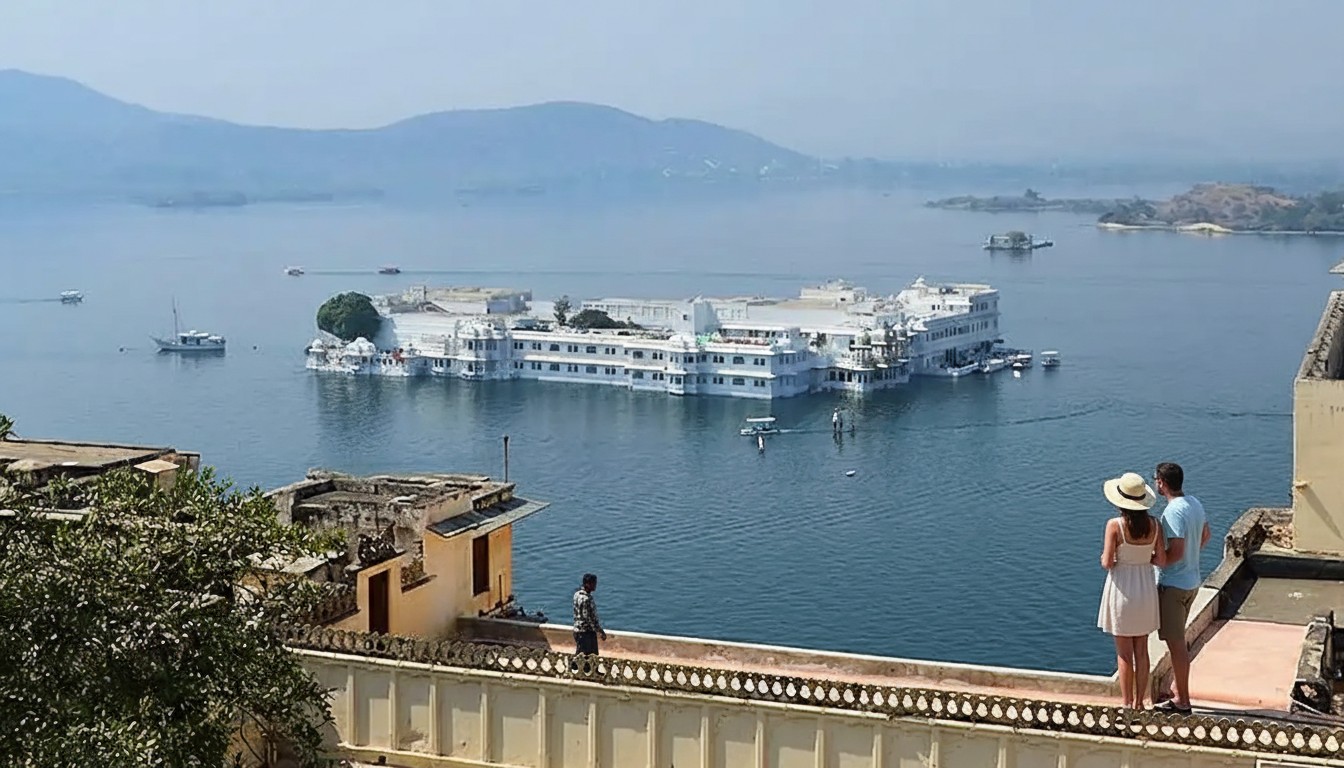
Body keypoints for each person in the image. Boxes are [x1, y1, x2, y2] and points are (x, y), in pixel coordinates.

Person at [1097, 471, 1165, 709]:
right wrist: (1143, 559)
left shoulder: (1114, 526)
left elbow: (1107, 562)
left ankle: (1126, 704)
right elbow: (1162, 560)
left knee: (1124, 653)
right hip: (1146, 589)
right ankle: (1140, 703)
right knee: (1142, 651)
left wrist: (1115, 560)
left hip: (1122, 589)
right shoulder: (1155, 525)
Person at [1151, 462, 1210, 714]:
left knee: (1176, 645)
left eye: (1156, 479)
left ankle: (1182, 700)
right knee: (1177, 643)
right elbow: (1205, 535)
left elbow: (1173, 553)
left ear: (1161, 483)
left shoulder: (1172, 512)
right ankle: (1179, 693)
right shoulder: (1194, 503)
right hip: (1192, 581)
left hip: (1173, 586)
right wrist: (1190, 557)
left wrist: (1154, 559)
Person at [572, 572, 606, 658]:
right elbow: (588, 618)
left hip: (577, 629)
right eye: (594, 583)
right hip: (586, 632)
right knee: (588, 656)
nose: (595, 585)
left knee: (582, 653)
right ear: (587, 584)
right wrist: (599, 630)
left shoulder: (576, 595)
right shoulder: (587, 599)